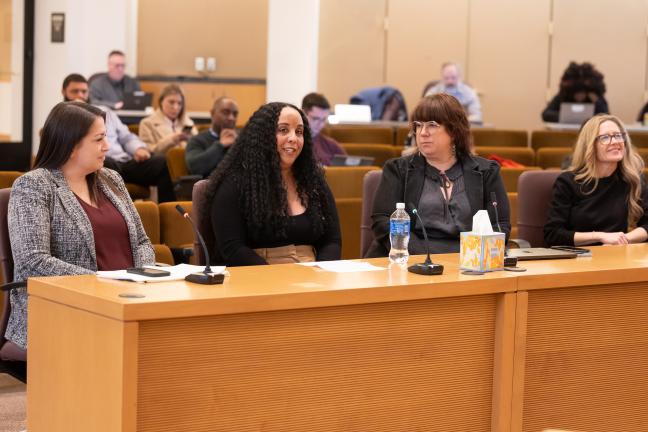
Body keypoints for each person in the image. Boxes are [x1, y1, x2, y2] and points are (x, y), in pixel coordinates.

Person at [6, 101, 155, 350]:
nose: (107, 146)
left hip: (128, 304)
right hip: (65, 311)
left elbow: (141, 241)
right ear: (72, 145)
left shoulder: (112, 180)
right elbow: (33, 262)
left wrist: (140, 278)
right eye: (99, 139)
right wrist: (103, 283)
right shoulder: (33, 186)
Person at [366, 94, 510, 257]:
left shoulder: (486, 171)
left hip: (470, 262)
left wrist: (470, 257)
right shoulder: (398, 169)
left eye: (432, 125)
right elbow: (383, 222)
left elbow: (500, 225)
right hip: (411, 260)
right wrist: (426, 257)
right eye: (419, 126)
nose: (423, 133)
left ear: (454, 131)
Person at [201, 102, 342, 266]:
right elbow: (233, 248)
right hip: (260, 276)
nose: (293, 138)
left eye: (299, 132)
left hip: (312, 274)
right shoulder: (235, 184)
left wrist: (322, 271)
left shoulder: (313, 181)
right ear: (263, 135)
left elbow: (332, 241)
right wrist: (275, 278)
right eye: (283, 130)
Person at [62, 73, 176, 202]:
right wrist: (76, 112)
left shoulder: (104, 111)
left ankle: (169, 214)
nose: (80, 95)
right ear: (64, 92)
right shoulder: (62, 119)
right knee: (104, 162)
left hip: (124, 163)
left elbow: (126, 136)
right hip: (102, 163)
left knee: (161, 162)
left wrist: (138, 149)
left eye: (84, 91)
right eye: (75, 91)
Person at [544, 114, 648, 247]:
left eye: (618, 135)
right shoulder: (568, 182)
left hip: (616, 256)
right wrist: (601, 236)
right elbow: (553, 234)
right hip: (578, 260)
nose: (615, 141)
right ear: (590, 145)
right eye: (605, 137)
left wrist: (623, 239)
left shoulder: (632, 179)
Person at [185, 97, 239, 177]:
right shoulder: (197, 140)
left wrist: (239, 144)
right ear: (212, 113)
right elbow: (195, 168)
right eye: (225, 112)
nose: (231, 118)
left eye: (235, 114)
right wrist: (220, 145)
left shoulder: (240, 140)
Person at [139, 84, 197, 155]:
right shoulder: (147, 123)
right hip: (162, 164)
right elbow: (149, 152)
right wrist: (172, 139)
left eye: (179, 103)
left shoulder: (188, 122)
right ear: (161, 102)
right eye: (171, 102)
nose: (175, 107)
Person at [542, 62, 609, 123]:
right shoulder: (563, 96)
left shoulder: (594, 97)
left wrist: (597, 101)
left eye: (583, 92)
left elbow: (606, 116)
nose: (579, 96)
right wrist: (566, 116)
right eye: (576, 93)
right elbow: (546, 114)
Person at [301, 92, 346, 166]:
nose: (320, 124)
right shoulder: (292, 143)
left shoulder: (332, 145)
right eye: (315, 119)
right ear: (302, 114)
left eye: (323, 119)